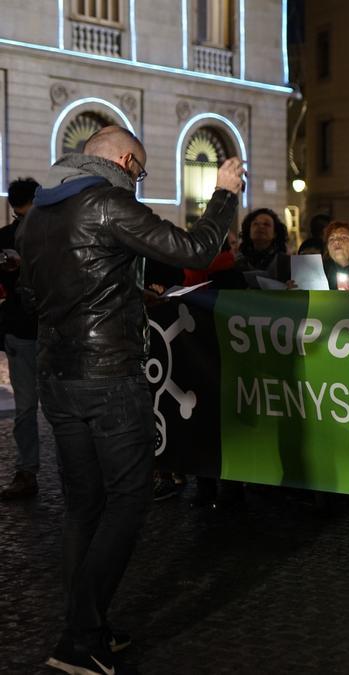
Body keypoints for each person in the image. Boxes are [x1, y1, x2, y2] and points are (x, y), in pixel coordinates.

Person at [19, 126, 242, 674]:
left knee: (83, 503)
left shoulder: (34, 218)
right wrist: (225, 193)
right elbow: (194, 249)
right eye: (138, 172)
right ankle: (77, 641)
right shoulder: (106, 201)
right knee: (128, 497)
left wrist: (123, 293)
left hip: (57, 376)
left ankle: (88, 627)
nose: (138, 184)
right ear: (123, 161)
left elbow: (38, 293)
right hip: (109, 375)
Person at [0, 177, 42, 500]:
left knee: (43, 409)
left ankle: (31, 473)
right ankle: (28, 472)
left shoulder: (51, 235)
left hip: (43, 331)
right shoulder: (8, 239)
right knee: (28, 408)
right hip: (29, 331)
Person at [234, 207, 289, 279]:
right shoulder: (238, 263)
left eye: (266, 224)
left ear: (275, 233)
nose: (260, 226)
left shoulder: (286, 263)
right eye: (255, 223)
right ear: (249, 231)